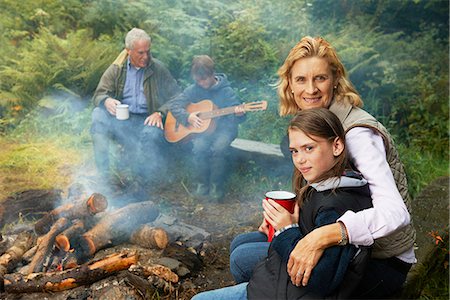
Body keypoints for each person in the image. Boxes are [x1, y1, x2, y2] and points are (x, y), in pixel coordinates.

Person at [229, 36, 416, 298]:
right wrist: (289, 216)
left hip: (379, 260)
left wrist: (325, 235)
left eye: (320, 78)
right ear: (290, 86)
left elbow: (396, 213)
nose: (311, 90)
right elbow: (326, 191)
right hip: (344, 244)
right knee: (242, 243)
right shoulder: (313, 122)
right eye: (301, 80)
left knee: (242, 258)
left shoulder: (357, 134)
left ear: (335, 80)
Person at [193, 108, 374, 299]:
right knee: (241, 243)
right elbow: (311, 227)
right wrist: (285, 223)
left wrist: (286, 229)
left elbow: (319, 279)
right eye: (294, 151)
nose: (300, 159)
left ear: (337, 146)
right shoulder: (326, 182)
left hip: (296, 292)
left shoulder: (337, 205)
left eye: (309, 148)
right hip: (282, 281)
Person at [90, 28, 180, 186]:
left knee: (151, 134)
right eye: (140, 53)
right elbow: (98, 94)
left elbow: (178, 97)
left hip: (147, 119)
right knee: (98, 115)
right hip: (123, 120)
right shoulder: (117, 69)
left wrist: (160, 113)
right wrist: (106, 101)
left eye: (148, 51)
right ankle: (104, 175)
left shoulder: (158, 69)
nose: (145, 57)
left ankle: (140, 181)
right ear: (128, 51)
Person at [168, 55, 245, 201]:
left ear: (212, 74)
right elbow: (175, 105)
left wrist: (239, 114)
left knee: (219, 148)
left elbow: (241, 118)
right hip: (204, 131)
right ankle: (201, 185)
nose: (201, 83)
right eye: (198, 80)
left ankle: (216, 188)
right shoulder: (193, 89)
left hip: (225, 130)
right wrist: (188, 117)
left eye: (204, 79)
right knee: (199, 146)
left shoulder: (226, 91)